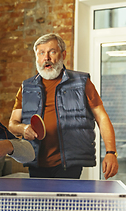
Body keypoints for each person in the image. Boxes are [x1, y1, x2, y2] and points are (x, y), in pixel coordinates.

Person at [8, 33, 119, 179]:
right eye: (41, 53)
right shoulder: (26, 88)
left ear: (63, 54)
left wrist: (111, 152)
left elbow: (102, 117)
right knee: (40, 202)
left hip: (69, 163)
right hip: (35, 160)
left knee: (65, 201)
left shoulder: (82, 82)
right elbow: (12, 124)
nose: (46, 58)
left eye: (52, 52)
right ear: (37, 57)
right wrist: (23, 128)